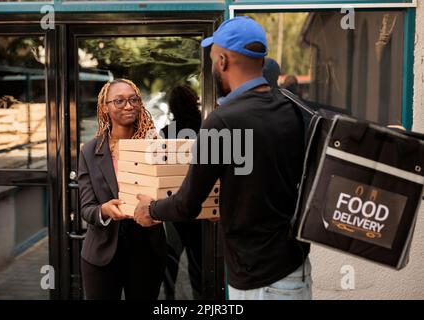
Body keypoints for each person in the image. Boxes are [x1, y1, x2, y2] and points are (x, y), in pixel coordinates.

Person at [134, 16, 312, 300]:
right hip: (295, 269)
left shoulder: (223, 121)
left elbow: (186, 205)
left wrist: (150, 209)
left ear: (223, 61)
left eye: (213, 55)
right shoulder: (290, 110)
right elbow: (264, 178)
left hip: (260, 280)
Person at [78, 78, 167, 300]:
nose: (128, 106)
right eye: (119, 101)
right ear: (105, 107)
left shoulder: (155, 146)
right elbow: (87, 209)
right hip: (102, 253)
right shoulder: (89, 151)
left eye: (133, 99)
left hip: (147, 249)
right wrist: (105, 210)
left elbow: (170, 192)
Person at [160, 85, 203, 300]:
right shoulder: (206, 128)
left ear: (172, 106)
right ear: (194, 101)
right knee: (199, 261)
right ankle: (200, 298)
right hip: (201, 204)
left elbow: (161, 169)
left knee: (171, 259)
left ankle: (168, 299)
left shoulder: (166, 133)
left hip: (173, 203)